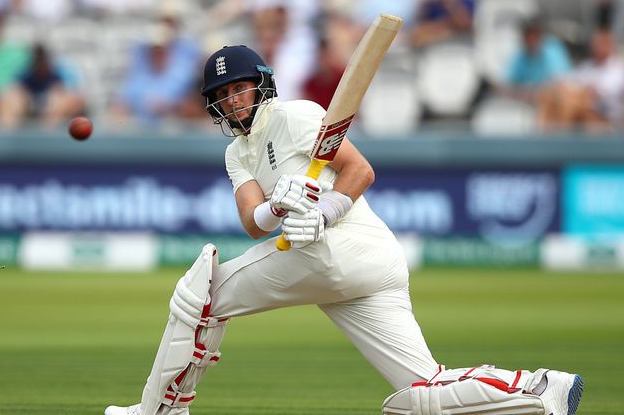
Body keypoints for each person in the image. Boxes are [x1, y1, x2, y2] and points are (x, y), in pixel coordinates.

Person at [104, 45, 584, 415]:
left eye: (240, 88)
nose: (232, 100)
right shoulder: (237, 153)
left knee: (200, 296)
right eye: (223, 95)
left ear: (261, 86)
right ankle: (540, 389)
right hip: (356, 267)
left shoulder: (296, 115)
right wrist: (279, 205)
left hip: (341, 246)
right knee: (425, 386)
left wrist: (325, 211)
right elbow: (253, 223)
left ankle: (156, 411)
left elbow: (360, 171)